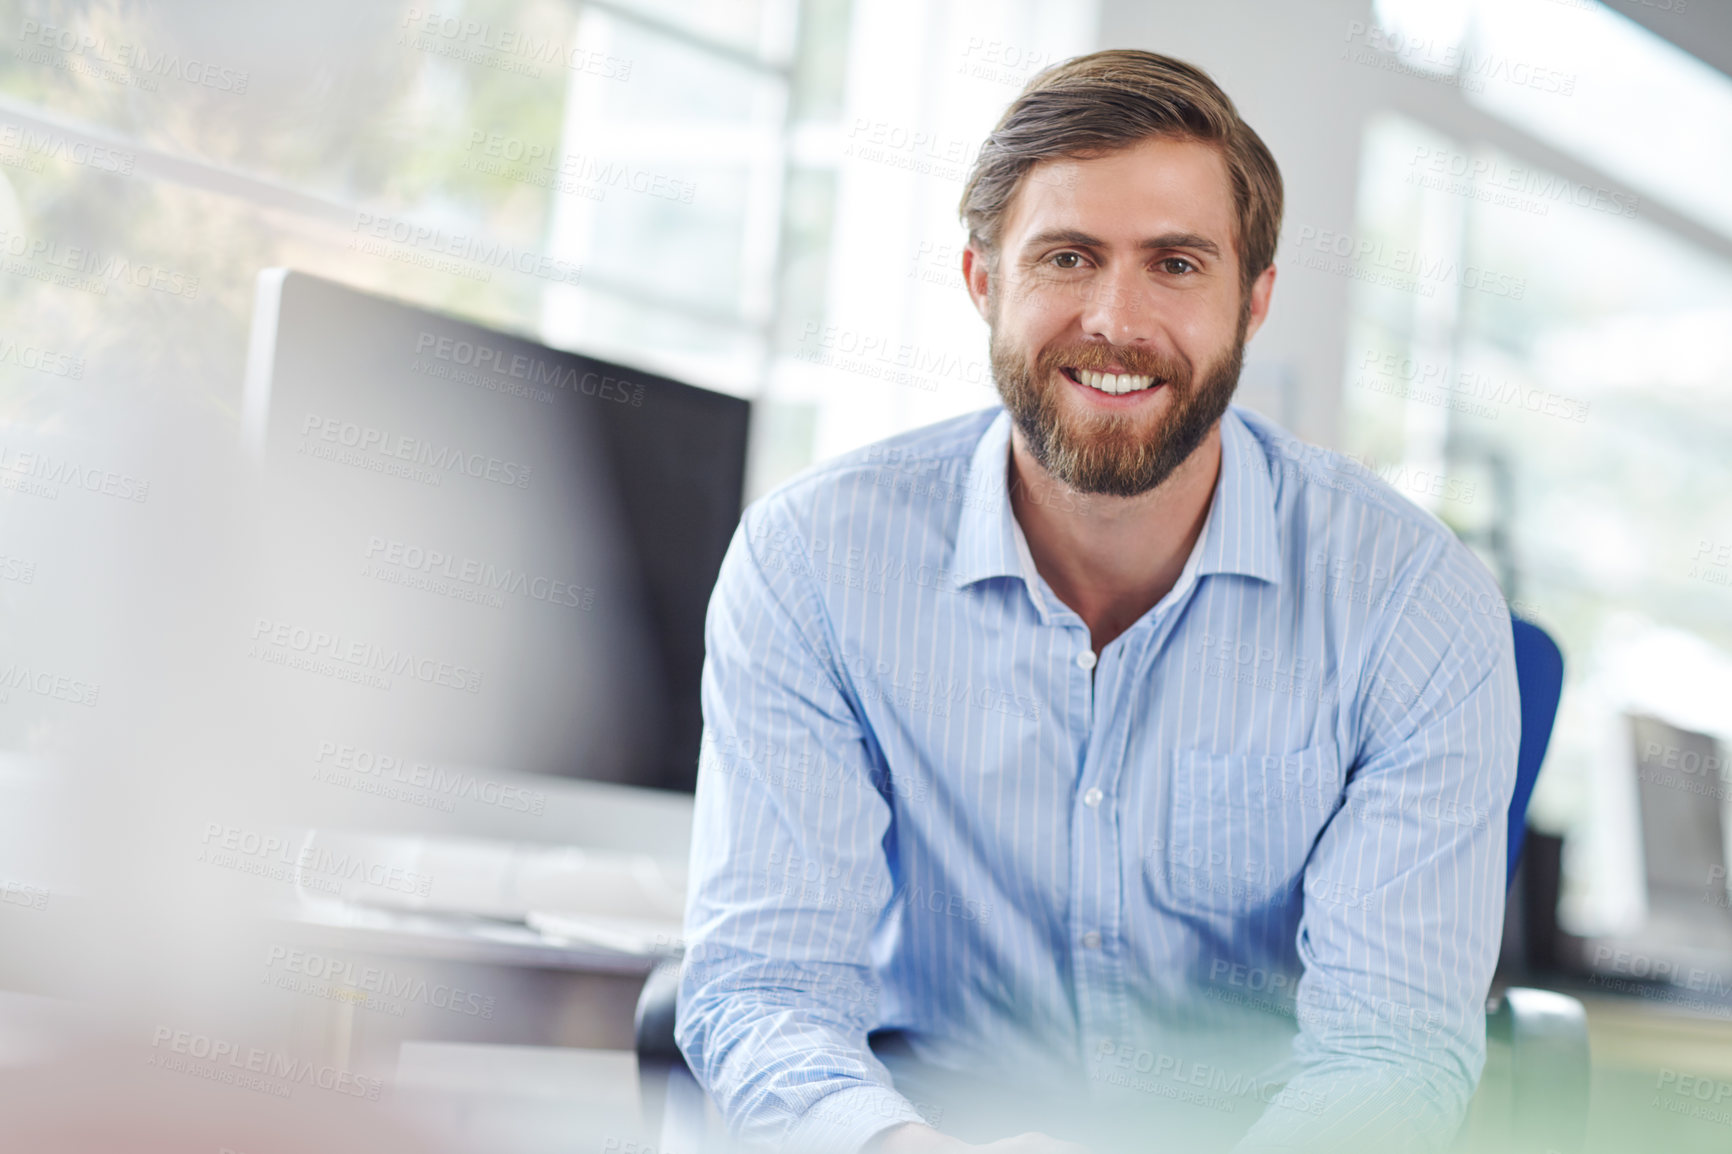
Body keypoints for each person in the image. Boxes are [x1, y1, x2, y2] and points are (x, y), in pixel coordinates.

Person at [676, 49, 1517, 1154]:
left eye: (1176, 264)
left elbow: (1390, 1052)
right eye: (1067, 256)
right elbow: (763, 987)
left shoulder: (1412, 602)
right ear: (984, 281)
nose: (1116, 321)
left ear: (1252, 300)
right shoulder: (812, 563)